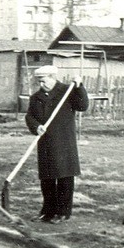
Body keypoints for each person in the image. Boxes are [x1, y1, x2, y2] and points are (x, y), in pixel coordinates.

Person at [26, 64, 89, 222]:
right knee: (47, 180)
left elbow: (82, 106)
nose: (41, 84)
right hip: (45, 143)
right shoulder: (36, 98)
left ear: (53, 78)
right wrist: (36, 126)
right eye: (39, 81)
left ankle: (63, 212)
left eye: (44, 81)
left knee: (64, 178)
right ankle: (47, 211)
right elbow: (29, 117)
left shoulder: (67, 91)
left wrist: (79, 87)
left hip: (64, 143)